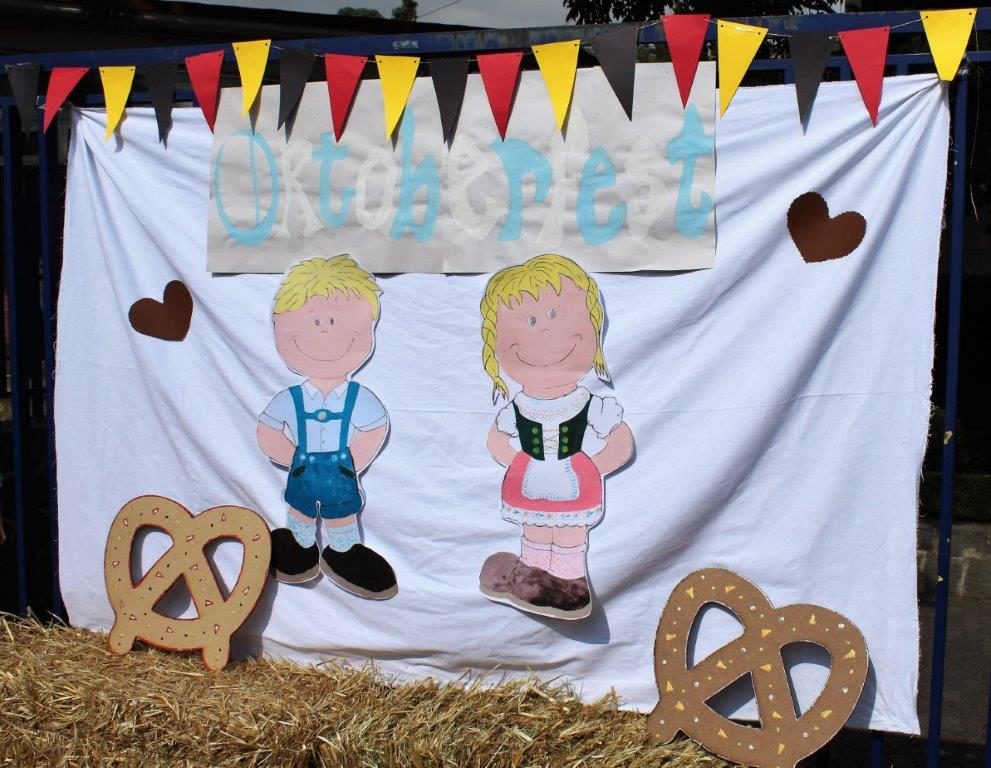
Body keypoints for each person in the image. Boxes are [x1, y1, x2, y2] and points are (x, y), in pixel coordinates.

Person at [478, 254, 634, 620]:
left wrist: (591, 467)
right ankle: (532, 577)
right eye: (529, 322)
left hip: (575, 483)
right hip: (528, 479)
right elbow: (497, 439)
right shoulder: (518, 407)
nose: (544, 331)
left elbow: (620, 439)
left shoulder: (586, 403)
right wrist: (517, 462)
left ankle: (570, 584)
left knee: (569, 534)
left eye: (554, 316)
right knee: (533, 527)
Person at [257, 255, 396, 600]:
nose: (323, 330)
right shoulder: (291, 398)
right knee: (300, 512)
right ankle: (300, 548)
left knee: (342, 517)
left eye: (333, 320)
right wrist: (293, 457)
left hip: (341, 473)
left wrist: (352, 462)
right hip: (302, 468)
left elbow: (374, 428)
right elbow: (268, 429)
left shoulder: (357, 398)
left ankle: (345, 554)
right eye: (313, 320)